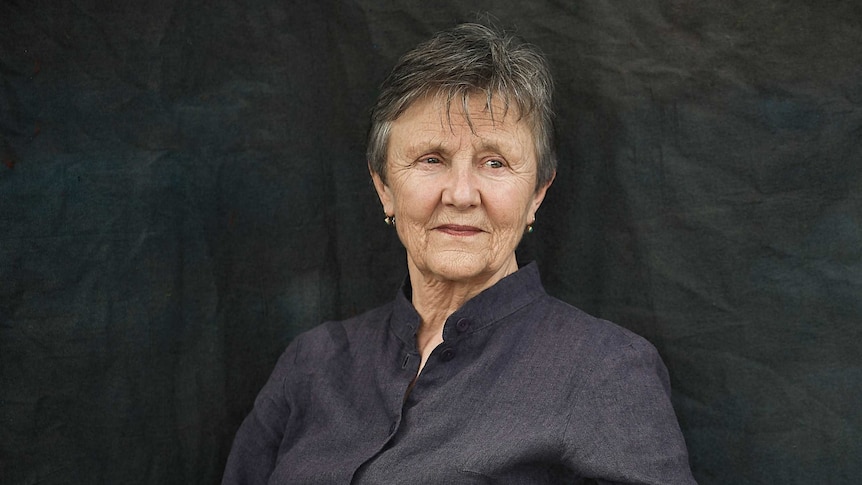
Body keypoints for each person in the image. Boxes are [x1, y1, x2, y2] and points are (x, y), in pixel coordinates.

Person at [222, 22, 696, 484]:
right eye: (432, 159)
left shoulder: (604, 370)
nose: (462, 194)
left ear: (537, 194)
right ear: (384, 186)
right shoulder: (313, 363)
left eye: (495, 162)